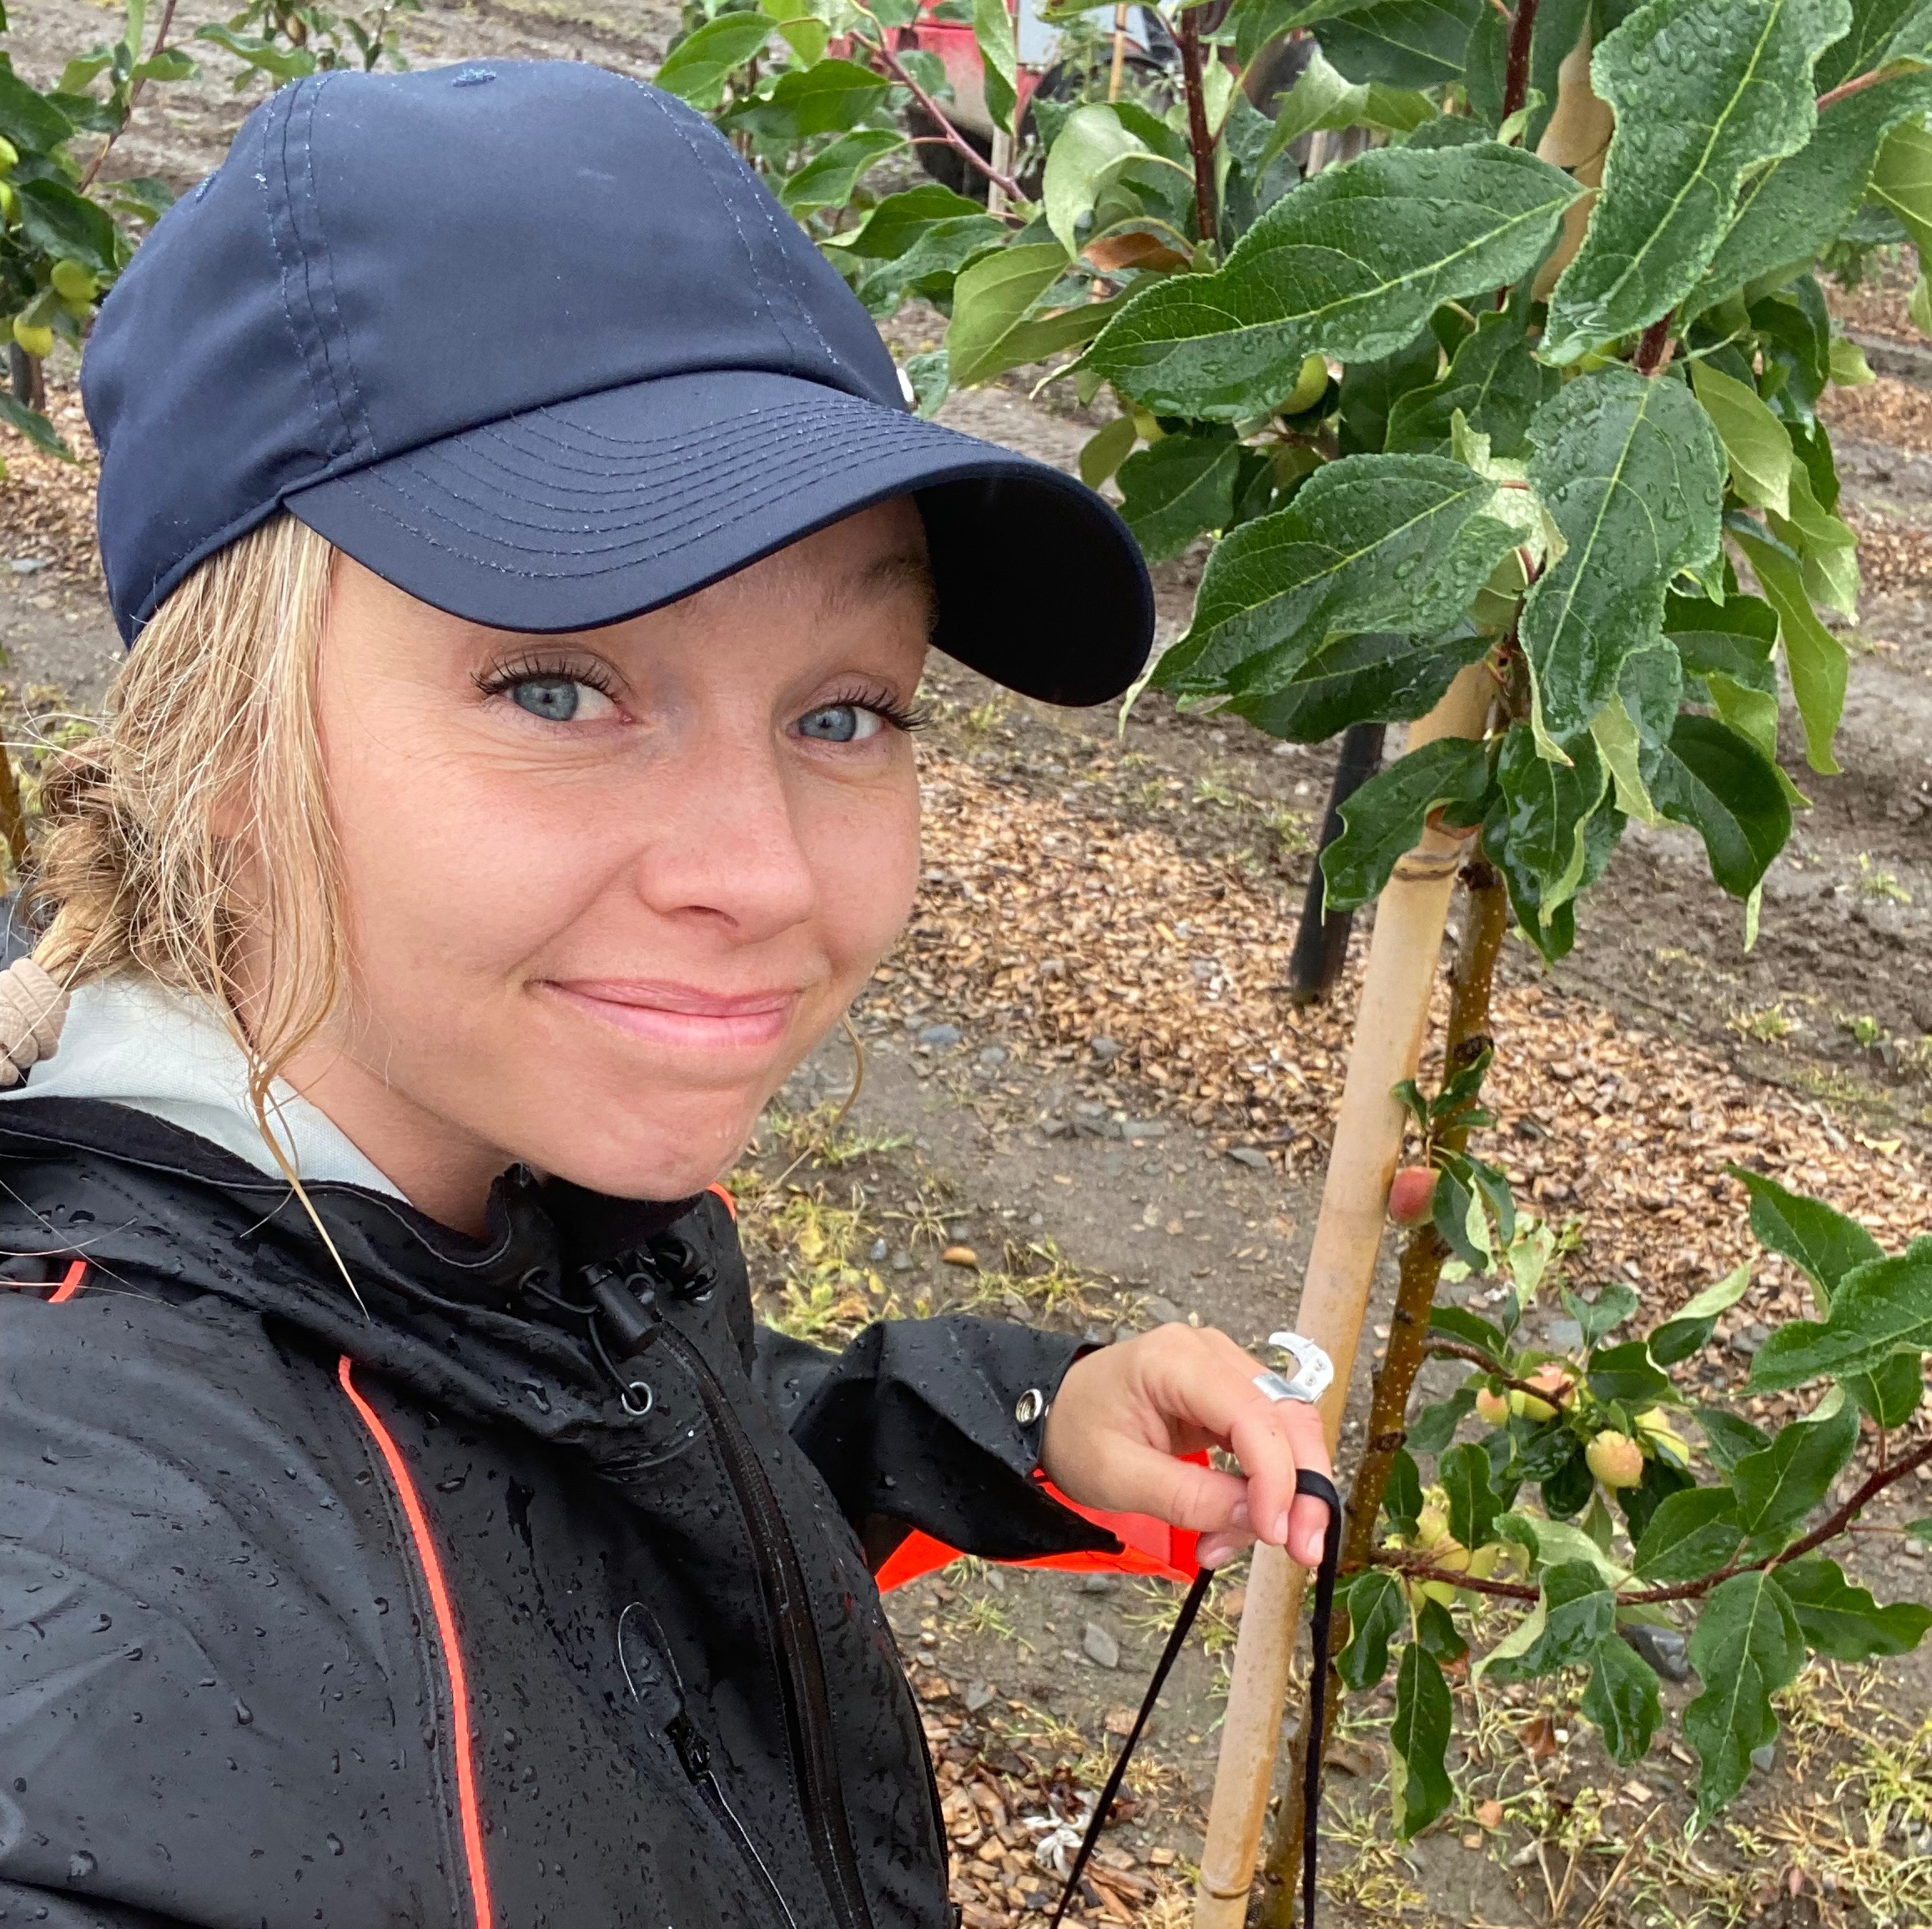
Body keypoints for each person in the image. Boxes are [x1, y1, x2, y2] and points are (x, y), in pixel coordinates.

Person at [0, 62, 1333, 1929]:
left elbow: (563, 1456)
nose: (766, 873)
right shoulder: (92, 1601)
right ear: (217, 741)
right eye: (558, 688)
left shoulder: (464, 1171)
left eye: (845, 711)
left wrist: (1009, 1426)